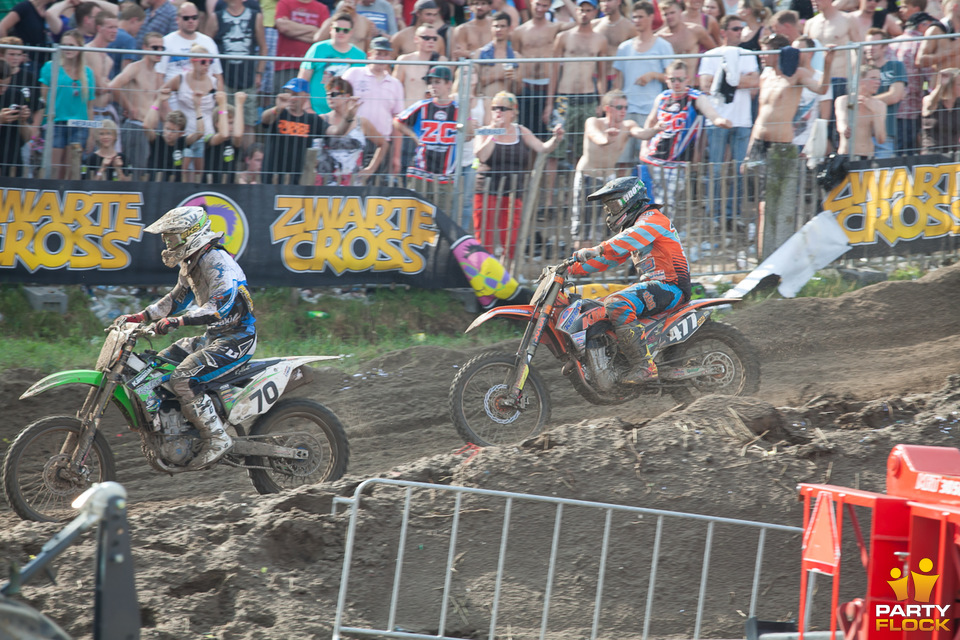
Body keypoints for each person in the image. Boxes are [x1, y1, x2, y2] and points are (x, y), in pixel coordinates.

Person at [118, 206, 257, 469]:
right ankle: (169, 427)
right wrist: (141, 316)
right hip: (214, 337)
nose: (168, 243)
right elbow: (175, 300)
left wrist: (178, 321)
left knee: (183, 378)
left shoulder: (217, 260)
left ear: (191, 234)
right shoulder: (192, 262)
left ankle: (216, 437)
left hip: (237, 339)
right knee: (154, 367)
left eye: (172, 238)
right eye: (166, 239)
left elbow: (219, 306)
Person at [567, 176, 691, 383]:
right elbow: (610, 259)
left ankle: (645, 366)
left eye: (613, 205)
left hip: (672, 287)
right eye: (607, 208)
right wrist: (570, 268)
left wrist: (597, 248)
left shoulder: (653, 219)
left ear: (631, 199)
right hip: (654, 287)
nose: (610, 212)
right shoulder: (633, 230)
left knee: (617, 303)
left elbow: (629, 238)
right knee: (596, 309)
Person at [473, 91, 564, 258]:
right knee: (484, 233)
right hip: (486, 190)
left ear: (513, 112)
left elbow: (543, 148)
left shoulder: (521, 131)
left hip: (513, 191)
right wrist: (495, 133)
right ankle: (484, 273)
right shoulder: (483, 131)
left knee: (511, 235)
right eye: (494, 108)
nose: (498, 112)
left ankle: (509, 270)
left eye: (503, 108)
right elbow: (482, 155)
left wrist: (556, 139)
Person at [642, 59, 731, 212]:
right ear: (666, 79)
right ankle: (655, 234)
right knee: (649, 203)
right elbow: (650, 121)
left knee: (666, 204)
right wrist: (643, 146)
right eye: (673, 79)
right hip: (653, 157)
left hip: (678, 162)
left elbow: (711, 114)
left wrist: (720, 121)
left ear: (687, 79)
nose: (677, 83)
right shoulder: (662, 97)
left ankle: (658, 234)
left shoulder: (695, 98)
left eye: (681, 79)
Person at [572, 89, 657, 245]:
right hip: (587, 178)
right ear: (608, 108)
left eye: (625, 107)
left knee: (607, 225)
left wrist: (656, 129)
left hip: (609, 182)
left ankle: (601, 266)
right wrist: (607, 138)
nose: (623, 111)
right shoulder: (593, 122)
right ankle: (580, 267)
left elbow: (642, 133)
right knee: (583, 228)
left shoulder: (628, 125)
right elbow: (596, 137)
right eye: (619, 107)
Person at [698, 13, 759, 223]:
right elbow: (705, 85)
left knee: (740, 171)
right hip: (717, 120)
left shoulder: (748, 54)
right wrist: (737, 80)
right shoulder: (711, 55)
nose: (739, 32)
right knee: (716, 169)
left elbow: (755, 82)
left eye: (741, 28)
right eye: (735, 28)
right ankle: (714, 215)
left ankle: (733, 215)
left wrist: (724, 81)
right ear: (723, 32)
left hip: (742, 121)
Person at [612, 1, 672, 175]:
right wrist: (615, 108)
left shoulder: (663, 46)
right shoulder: (624, 47)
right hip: (626, 112)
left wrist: (653, 75)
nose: (636, 20)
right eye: (634, 17)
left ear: (651, 17)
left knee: (646, 162)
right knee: (621, 162)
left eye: (640, 16)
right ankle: (621, 201)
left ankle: (646, 200)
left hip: (649, 113)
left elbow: (671, 77)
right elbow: (618, 81)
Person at [511, 0, 575, 141]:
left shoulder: (554, 28)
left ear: (549, 7)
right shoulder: (519, 31)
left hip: (547, 88)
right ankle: (528, 164)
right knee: (524, 135)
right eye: (537, 4)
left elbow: (579, 20)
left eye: (544, 6)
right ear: (531, 4)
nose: (540, 9)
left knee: (546, 136)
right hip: (526, 88)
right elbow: (515, 62)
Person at [206, 0, 265, 146]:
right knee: (223, 120)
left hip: (248, 78)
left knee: (249, 122)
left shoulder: (255, 16)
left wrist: (259, 73)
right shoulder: (216, 16)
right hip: (224, 79)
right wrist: (212, 73)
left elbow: (264, 47)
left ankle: (246, 160)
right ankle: (224, 157)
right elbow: (205, 45)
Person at [38, 29, 95, 180]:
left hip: (79, 125)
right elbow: (43, 99)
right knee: (53, 168)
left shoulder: (88, 73)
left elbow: (90, 106)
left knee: (71, 169)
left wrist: (91, 133)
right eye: (64, 45)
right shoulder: (51, 67)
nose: (67, 48)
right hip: (56, 122)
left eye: (71, 45)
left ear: (80, 47)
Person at [108, 30, 166, 178]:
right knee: (132, 173)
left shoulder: (157, 75)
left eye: (162, 48)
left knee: (147, 173)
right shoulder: (135, 68)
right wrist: (128, 107)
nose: (159, 51)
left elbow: (161, 105)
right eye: (155, 48)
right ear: (145, 48)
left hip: (151, 131)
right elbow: (114, 86)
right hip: (135, 127)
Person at [162, 44, 218, 182]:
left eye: (210, 62)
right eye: (203, 62)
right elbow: (161, 94)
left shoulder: (214, 82)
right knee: (181, 174)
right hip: (184, 136)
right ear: (193, 61)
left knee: (201, 175)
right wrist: (171, 118)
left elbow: (219, 107)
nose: (207, 65)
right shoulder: (180, 79)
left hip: (206, 135)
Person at [317, 76, 387, 184]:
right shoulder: (322, 119)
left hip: (352, 184)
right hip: (325, 182)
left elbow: (383, 144)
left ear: (346, 96)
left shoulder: (362, 122)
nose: (330, 98)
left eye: (334, 94)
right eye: (327, 95)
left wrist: (370, 169)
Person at [298, 12, 366, 115]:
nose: (341, 33)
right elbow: (302, 80)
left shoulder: (360, 55)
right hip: (316, 113)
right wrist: (307, 108)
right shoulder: (317, 49)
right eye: (337, 29)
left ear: (351, 32)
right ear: (330, 30)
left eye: (345, 30)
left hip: (345, 116)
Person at [892, 11, 937, 151]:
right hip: (911, 108)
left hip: (890, 107)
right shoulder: (921, 44)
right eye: (930, 27)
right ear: (922, 26)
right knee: (907, 152)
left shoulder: (891, 44)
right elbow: (931, 78)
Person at [158, 3, 224, 87]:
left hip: (205, 95)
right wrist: (163, 99)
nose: (191, 21)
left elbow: (217, 75)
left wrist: (221, 98)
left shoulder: (208, 42)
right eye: (186, 18)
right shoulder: (166, 41)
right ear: (177, 19)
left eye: (194, 17)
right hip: (174, 96)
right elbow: (159, 75)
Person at [863, 28, 906, 158]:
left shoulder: (896, 66)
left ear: (885, 47)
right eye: (868, 44)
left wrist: (866, 101)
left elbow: (895, 96)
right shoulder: (860, 69)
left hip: (885, 132)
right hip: (861, 135)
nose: (870, 48)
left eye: (875, 44)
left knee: (884, 175)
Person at [274, 0, 330, 93]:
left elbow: (322, 37)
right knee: (284, 101)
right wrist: (313, 30)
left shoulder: (322, 8)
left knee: (306, 103)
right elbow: (283, 27)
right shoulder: (284, 3)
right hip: (286, 65)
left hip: (312, 67)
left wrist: (292, 31)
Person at [473, 11, 519, 121]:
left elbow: (518, 89)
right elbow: (475, 83)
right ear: (491, 28)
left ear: (509, 28)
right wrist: (500, 75)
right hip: (485, 105)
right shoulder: (480, 53)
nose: (499, 29)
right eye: (496, 26)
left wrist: (514, 80)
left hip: (506, 108)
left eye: (502, 26)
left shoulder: (516, 56)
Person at [835, 64, 886, 158]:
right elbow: (841, 122)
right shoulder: (843, 100)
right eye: (873, 78)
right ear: (860, 80)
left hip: (867, 158)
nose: (878, 82)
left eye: (879, 79)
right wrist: (845, 130)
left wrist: (875, 111)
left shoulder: (880, 105)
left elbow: (881, 139)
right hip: (846, 156)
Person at [0, 59, 35, 177]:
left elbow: (28, 137)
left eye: (5, 85)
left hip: (12, 159)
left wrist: (23, 121)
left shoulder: (16, 95)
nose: (2, 89)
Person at [920, 67, 960, 154]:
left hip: (954, 154)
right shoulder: (930, 100)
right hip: (932, 153)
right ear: (950, 86)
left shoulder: (958, 104)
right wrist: (940, 85)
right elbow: (930, 105)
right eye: (959, 84)